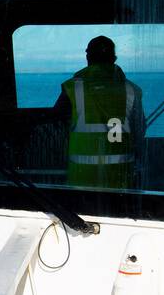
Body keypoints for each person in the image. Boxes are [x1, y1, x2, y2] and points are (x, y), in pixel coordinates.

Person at [49, 35, 146, 189]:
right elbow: (139, 130)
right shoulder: (131, 90)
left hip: (82, 178)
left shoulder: (73, 88)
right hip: (120, 179)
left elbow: (55, 125)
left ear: (88, 57)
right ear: (114, 58)